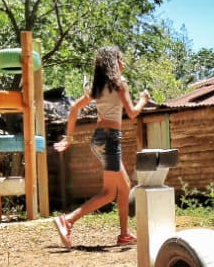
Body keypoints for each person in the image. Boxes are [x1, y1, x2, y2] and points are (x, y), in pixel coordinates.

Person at [51, 46, 149, 248]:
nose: (123, 63)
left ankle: (124, 234)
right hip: (110, 139)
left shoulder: (98, 87)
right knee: (108, 193)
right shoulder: (120, 84)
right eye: (121, 59)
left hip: (99, 139)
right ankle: (67, 220)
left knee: (124, 186)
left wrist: (69, 137)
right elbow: (132, 113)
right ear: (114, 63)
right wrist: (143, 100)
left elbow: (74, 108)